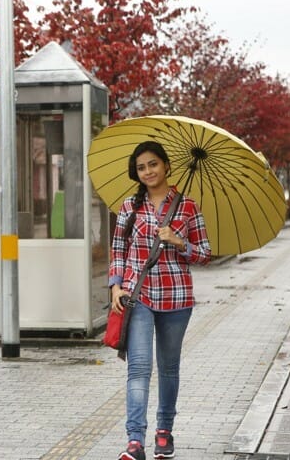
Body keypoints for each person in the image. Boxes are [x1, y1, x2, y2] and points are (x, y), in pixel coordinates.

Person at [109, 141, 211, 460]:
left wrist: (179, 241)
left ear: (166, 166)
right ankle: (135, 440)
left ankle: (164, 431)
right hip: (137, 297)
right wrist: (115, 287)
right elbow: (118, 251)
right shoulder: (129, 207)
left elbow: (205, 254)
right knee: (138, 367)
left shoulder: (188, 207)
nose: (148, 171)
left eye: (153, 164)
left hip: (176, 297)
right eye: (141, 167)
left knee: (168, 368)